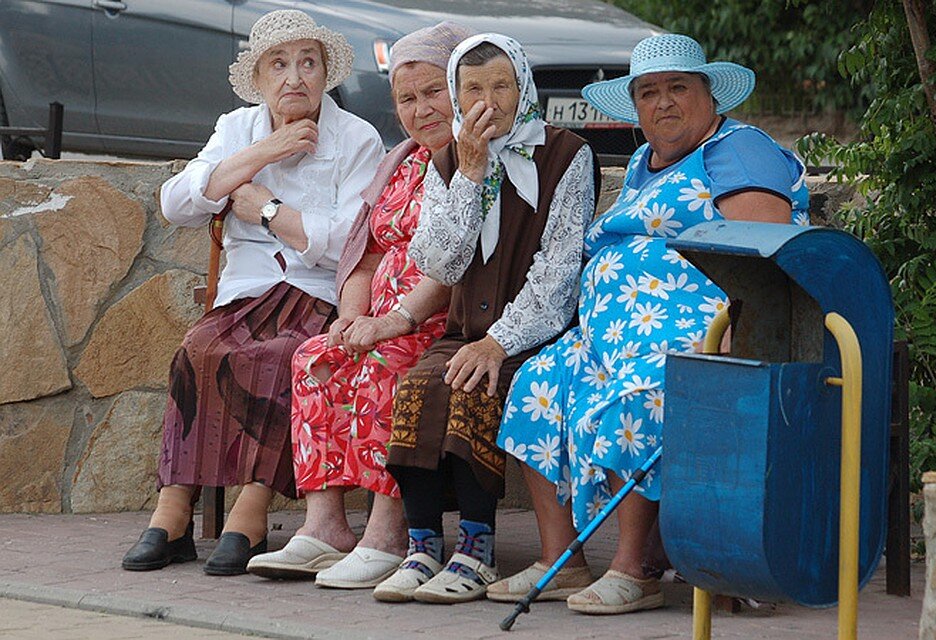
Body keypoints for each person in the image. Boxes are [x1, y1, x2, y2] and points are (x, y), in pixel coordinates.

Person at [494, 33, 809, 614]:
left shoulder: (740, 152)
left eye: (677, 88)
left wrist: (737, 332)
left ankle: (634, 568)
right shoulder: (644, 161)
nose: (663, 102)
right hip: (611, 337)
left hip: (697, 335)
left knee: (635, 398)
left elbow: (766, 259)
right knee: (537, 383)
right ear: (635, 107)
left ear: (709, 95)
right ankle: (561, 560)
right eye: (648, 93)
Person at [121, 9, 383, 576]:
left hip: (316, 292)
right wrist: (266, 151)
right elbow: (176, 204)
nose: (295, 77)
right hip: (246, 292)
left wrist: (266, 209)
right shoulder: (237, 128)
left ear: (325, 74)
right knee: (197, 349)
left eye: (308, 63)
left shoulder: (357, 138)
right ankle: (172, 512)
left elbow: (350, 242)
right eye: (279, 65)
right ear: (259, 79)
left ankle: (251, 513)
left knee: (284, 355)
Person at [245, 21, 474, 588]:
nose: (421, 109)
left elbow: (460, 263)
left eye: (434, 92)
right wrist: (351, 316)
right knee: (316, 357)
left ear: (461, 89)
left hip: (439, 320)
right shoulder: (404, 160)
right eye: (407, 99)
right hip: (381, 317)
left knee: (383, 366)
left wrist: (392, 322)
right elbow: (366, 257)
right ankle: (326, 527)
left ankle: (388, 531)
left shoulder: (474, 164)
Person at [375, 33, 599, 604]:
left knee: (475, 385)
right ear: (457, 95)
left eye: (502, 86)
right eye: (473, 89)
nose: (488, 102)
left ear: (523, 88)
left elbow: (559, 274)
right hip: (464, 331)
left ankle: (477, 552)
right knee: (419, 386)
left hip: (536, 333)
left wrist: (499, 343)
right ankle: (424, 547)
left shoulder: (567, 154)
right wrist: (470, 175)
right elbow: (439, 262)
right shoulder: (449, 158)